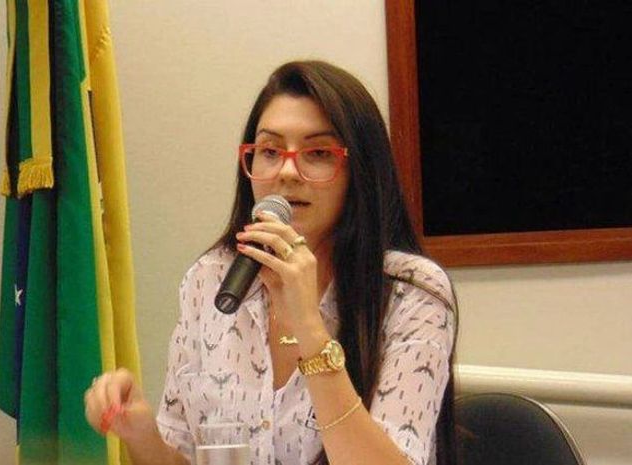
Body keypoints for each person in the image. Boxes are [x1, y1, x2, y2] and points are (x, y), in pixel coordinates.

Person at [84, 60, 457, 465]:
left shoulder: (412, 293)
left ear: (360, 171)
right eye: (269, 151)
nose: (287, 171)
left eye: (318, 153)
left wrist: (309, 327)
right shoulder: (210, 279)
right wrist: (142, 437)